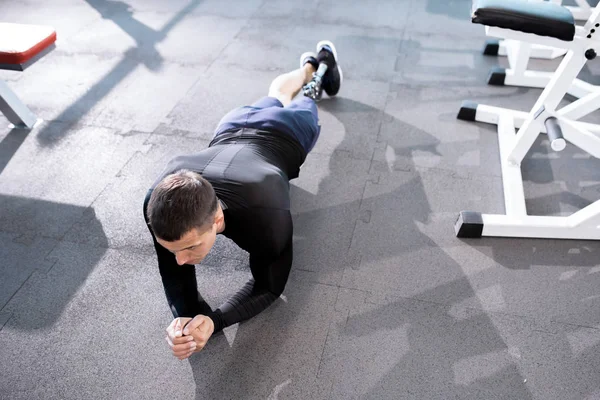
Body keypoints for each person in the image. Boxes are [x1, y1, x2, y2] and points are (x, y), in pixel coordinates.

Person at [143, 41, 342, 360]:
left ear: (218, 221)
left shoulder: (266, 214)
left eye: (191, 247)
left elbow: (270, 286)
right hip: (232, 126)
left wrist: (217, 319)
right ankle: (307, 65)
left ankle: (318, 68)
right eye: (174, 249)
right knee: (277, 95)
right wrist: (186, 316)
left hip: (287, 133)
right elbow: (174, 272)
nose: (179, 260)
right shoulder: (158, 201)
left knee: (303, 99)